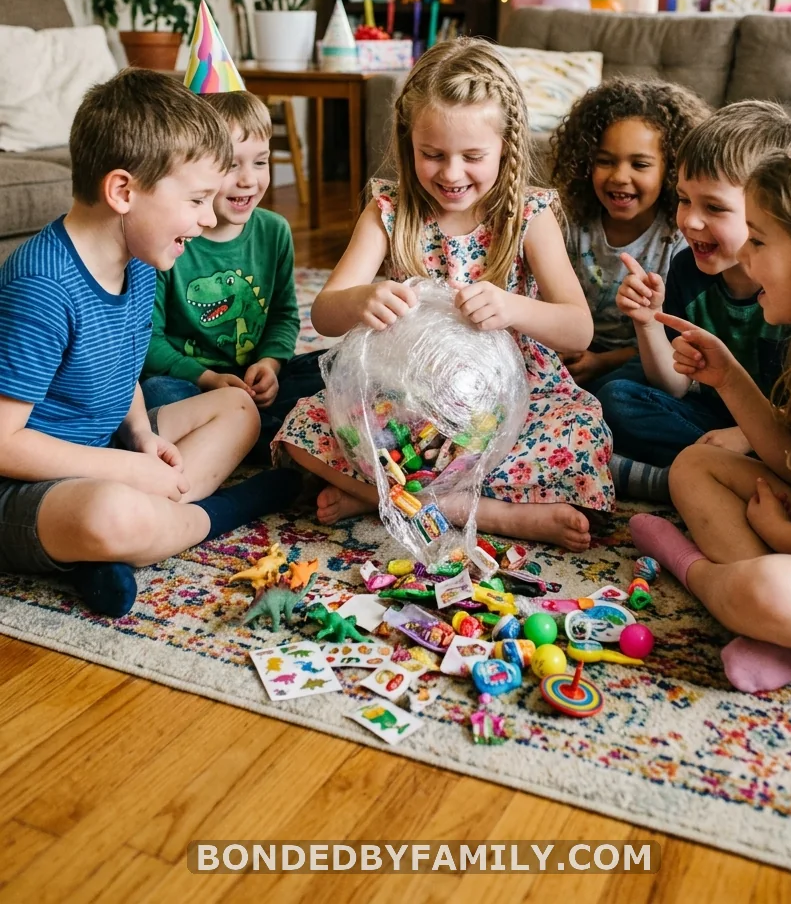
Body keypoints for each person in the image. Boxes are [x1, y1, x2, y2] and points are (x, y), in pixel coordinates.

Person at [273, 38, 614, 552]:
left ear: (507, 146)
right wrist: (362, 299)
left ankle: (391, 498)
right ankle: (462, 507)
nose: (451, 174)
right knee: (303, 428)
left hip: (508, 401)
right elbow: (324, 313)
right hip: (404, 405)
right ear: (409, 143)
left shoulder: (530, 215)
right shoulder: (387, 212)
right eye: (432, 155)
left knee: (584, 435)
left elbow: (578, 328)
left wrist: (513, 308)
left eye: (473, 156)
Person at [0, 70, 287, 619]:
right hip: (19, 486)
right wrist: (127, 471)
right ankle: (214, 514)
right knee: (110, 514)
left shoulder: (140, 258)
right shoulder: (42, 287)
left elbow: (120, 367)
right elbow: (4, 443)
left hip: (101, 445)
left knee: (237, 407)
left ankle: (118, 547)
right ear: (124, 191)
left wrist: (138, 435)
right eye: (198, 200)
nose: (208, 220)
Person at [630, 151, 791, 691]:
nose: (744, 261)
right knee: (696, 465)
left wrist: (787, 536)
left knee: (767, 589)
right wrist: (729, 378)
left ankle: (698, 573)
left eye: (759, 241)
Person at [601, 100, 791, 503]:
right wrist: (647, 321)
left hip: (781, 434)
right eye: (684, 199)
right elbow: (674, 385)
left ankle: (679, 479)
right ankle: (712, 478)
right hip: (705, 415)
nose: (689, 221)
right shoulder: (689, 269)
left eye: (715, 207)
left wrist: (748, 437)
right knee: (614, 396)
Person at [141, 89, 324, 453]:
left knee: (333, 368)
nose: (248, 180)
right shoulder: (168, 239)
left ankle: (252, 435)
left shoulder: (274, 231)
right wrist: (208, 379)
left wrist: (270, 365)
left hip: (255, 381)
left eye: (260, 162)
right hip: (190, 382)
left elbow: (285, 316)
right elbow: (147, 340)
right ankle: (273, 438)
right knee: (155, 395)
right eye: (231, 165)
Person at [551, 77, 709, 392]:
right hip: (569, 348)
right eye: (605, 162)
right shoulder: (568, 221)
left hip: (643, 357)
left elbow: (674, 342)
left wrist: (600, 363)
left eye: (640, 164)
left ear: (671, 170)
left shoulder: (679, 238)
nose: (620, 177)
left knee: (617, 395)